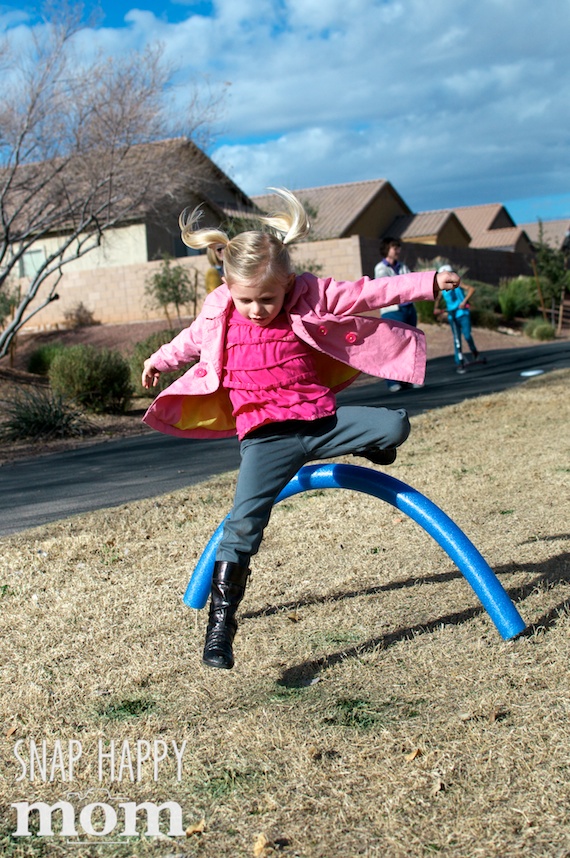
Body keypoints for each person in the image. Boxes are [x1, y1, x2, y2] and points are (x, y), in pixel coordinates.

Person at [142, 189, 459, 671]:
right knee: (243, 526)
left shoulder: (309, 295)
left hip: (319, 422)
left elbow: (368, 293)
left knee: (394, 425)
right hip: (266, 440)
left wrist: (430, 281)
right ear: (228, 286)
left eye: (267, 297)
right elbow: (187, 342)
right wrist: (156, 362)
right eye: (246, 298)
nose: (256, 308)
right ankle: (220, 628)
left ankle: (369, 444)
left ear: (288, 282)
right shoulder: (220, 310)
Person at [374, 238, 418, 392]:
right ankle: (393, 382)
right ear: (387, 249)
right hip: (392, 311)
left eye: (398, 248)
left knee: (410, 345)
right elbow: (388, 286)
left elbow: (411, 282)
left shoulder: (403, 267)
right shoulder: (380, 268)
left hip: (408, 308)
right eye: (394, 248)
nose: (397, 251)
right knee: (393, 346)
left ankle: (409, 379)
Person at [433, 265, 482, 374]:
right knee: (456, 339)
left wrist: (464, 302)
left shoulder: (457, 284)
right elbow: (438, 298)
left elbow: (471, 289)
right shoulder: (443, 288)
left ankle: (474, 351)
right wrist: (436, 308)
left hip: (462, 313)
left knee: (467, 336)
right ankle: (459, 362)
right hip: (452, 315)